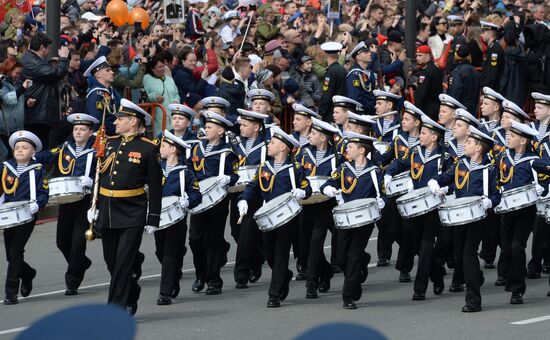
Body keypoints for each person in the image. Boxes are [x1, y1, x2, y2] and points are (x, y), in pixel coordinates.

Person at [88, 99, 162, 315]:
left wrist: (153, 217)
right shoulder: (109, 143)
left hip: (132, 212)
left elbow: (156, 186)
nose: (116, 122)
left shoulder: (148, 148)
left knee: (122, 264)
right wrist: (95, 205)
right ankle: (131, 290)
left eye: (120, 119)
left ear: (133, 121)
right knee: (112, 262)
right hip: (108, 211)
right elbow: (99, 177)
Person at [428, 126, 501, 312]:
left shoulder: (488, 169)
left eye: (468, 142)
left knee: (468, 253)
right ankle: (476, 276)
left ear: (478, 148)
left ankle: (473, 301)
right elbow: (448, 178)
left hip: (478, 218)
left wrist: (489, 202)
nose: (465, 145)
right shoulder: (461, 164)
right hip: (459, 216)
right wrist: (436, 183)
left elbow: (497, 194)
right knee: (459, 255)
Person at [238, 127, 312, 307]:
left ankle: (274, 294)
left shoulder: (295, 167)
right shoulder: (265, 167)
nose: (268, 145)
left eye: (272, 143)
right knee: (268, 251)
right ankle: (284, 275)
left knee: (280, 253)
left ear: (283, 148)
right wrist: (244, 200)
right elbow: (253, 187)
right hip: (268, 218)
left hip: (287, 218)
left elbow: (307, 187)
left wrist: (302, 192)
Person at [384, 114, 448, 301]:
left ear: (434, 137)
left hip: (434, 208)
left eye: (424, 133)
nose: (420, 136)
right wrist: (389, 174)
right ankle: (437, 275)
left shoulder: (443, 157)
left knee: (427, 245)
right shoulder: (414, 153)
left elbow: (451, 177)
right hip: (415, 208)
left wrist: (444, 188)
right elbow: (398, 163)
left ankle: (419, 289)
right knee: (418, 247)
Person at [321, 131, 385, 309]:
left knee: (353, 256)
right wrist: (328, 189)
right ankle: (363, 260)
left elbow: (385, 192)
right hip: (344, 219)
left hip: (364, 221)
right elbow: (329, 183)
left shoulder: (374, 171)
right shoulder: (343, 168)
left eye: (349, 147)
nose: (345, 149)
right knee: (342, 259)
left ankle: (348, 296)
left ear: (362, 150)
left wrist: (382, 201)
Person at [35, 113, 98, 296]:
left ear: (90, 132)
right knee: (62, 241)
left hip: (84, 201)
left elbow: (104, 174)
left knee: (78, 242)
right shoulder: (64, 148)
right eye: (76, 129)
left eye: (82, 129)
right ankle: (81, 263)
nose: (78, 132)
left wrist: (92, 180)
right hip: (66, 200)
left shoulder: (95, 152)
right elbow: (46, 156)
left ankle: (72, 281)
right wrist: (29, 154)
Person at [188, 111, 238, 295]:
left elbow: (235, 175)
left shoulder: (227, 152)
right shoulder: (196, 148)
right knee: (195, 238)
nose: (205, 129)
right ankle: (201, 274)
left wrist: (228, 179)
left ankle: (214, 279)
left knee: (213, 239)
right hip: (198, 199)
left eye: (210, 127)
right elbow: (189, 169)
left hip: (218, 200)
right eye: (206, 126)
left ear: (220, 131)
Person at [496, 120, 542, 305]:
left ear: (523, 141)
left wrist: (542, 188)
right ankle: (510, 277)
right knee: (506, 248)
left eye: (513, 136)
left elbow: (545, 178)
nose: (508, 138)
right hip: (507, 210)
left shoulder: (533, 160)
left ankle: (517, 290)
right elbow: (496, 178)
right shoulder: (503, 157)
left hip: (526, 210)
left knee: (517, 246)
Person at [154, 130, 202, 305]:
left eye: (164, 146)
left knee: (169, 254)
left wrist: (187, 201)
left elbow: (197, 195)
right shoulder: (156, 170)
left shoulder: (185, 173)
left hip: (177, 220)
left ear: (173, 150)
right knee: (160, 252)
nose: (160, 148)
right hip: (158, 218)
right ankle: (174, 273)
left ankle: (164, 293)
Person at [2, 131, 49, 305]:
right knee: (10, 255)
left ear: (33, 152)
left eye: (25, 147)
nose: (20, 150)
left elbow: (44, 191)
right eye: (17, 147)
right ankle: (28, 273)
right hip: (7, 215)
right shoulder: (6, 166)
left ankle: (10, 292)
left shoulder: (37, 169)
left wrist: (39, 204)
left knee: (15, 252)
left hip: (26, 215)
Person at [297, 117, 340, 299]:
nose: (309, 136)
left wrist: (331, 186)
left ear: (323, 138)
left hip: (325, 205)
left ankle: (312, 283)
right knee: (304, 245)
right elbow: (297, 172)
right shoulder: (303, 152)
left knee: (316, 242)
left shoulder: (336, 156)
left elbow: (338, 176)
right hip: (306, 204)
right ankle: (326, 271)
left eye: (313, 133)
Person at [232, 109, 269, 289]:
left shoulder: (266, 145)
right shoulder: (235, 143)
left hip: (256, 193)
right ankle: (256, 259)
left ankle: (242, 274)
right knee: (236, 231)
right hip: (238, 192)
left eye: (245, 125)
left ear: (256, 127)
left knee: (248, 232)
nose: (241, 127)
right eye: (241, 124)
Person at [21, 33, 70, 149]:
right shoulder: (32, 61)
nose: (48, 52)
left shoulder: (32, 59)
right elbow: (54, 74)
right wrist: (63, 59)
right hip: (36, 113)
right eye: (48, 49)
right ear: (42, 47)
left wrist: (50, 64)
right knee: (38, 148)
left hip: (38, 111)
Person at [528, 93, 550, 280]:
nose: (535, 110)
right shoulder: (530, 129)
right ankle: (535, 262)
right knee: (539, 224)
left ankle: (543, 261)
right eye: (535, 107)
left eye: (540, 107)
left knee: (545, 224)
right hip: (536, 183)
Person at [0, 58, 32, 163]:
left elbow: (17, 102)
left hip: (17, 127)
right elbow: (7, 99)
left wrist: (27, 104)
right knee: (6, 155)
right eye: (16, 73)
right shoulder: (2, 84)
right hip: (5, 129)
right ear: (9, 71)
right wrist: (22, 88)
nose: (18, 76)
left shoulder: (17, 84)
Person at [143, 55, 180, 136]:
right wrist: (154, 97)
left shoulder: (169, 79)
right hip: (159, 117)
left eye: (163, 66)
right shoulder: (146, 79)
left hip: (174, 115)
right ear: (152, 69)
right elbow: (144, 95)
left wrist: (177, 100)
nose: (163, 68)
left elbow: (176, 93)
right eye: (160, 67)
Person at [84, 56, 121, 135]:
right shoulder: (96, 94)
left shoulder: (111, 91)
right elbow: (96, 121)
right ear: (98, 74)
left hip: (114, 133)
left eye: (111, 70)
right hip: (103, 136)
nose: (112, 72)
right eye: (108, 70)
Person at [412, 45, 443, 121]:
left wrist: (415, 107)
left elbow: (421, 92)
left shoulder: (426, 71)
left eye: (420, 55)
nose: (417, 58)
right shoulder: (435, 68)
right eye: (417, 56)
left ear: (427, 56)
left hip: (426, 108)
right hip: (435, 106)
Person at [318, 42, 347, 122]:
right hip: (341, 110)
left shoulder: (331, 71)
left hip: (331, 112)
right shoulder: (343, 69)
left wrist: (321, 113)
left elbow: (327, 95)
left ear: (325, 54)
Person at [346, 40, 377, 115]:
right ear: (358, 57)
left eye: (369, 51)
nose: (370, 53)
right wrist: (372, 107)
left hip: (370, 112)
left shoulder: (369, 73)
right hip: (360, 113)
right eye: (366, 52)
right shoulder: (354, 74)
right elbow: (355, 97)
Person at [480, 21, 504, 92]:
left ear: (491, 33)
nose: (481, 35)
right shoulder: (491, 47)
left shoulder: (494, 49)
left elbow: (492, 72)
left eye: (483, 32)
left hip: (492, 88)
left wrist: (487, 90)